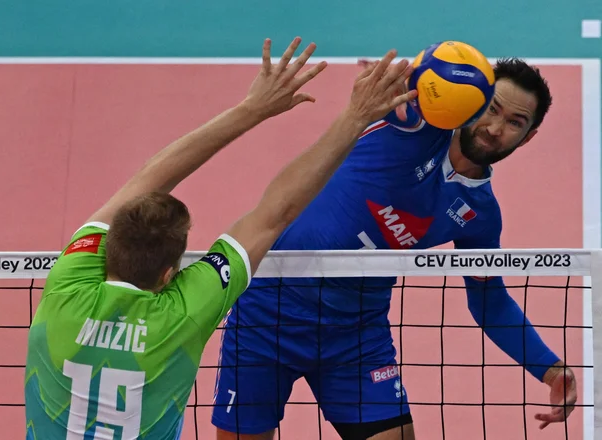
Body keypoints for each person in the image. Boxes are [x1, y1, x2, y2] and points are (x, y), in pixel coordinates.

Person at [23, 36, 418, 440]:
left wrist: (250, 110)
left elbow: (148, 178)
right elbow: (275, 212)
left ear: (107, 249)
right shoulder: (184, 311)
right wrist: (353, 116)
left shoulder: (66, 286)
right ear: (168, 275)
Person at [211, 56, 579, 440]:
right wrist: (400, 86)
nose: (494, 128)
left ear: (528, 136)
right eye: (491, 109)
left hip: (355, 335)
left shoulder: (480, 215)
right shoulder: (415, 129)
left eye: (515, 123)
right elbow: (412, 97)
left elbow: (489, 300)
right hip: (270, 314)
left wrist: (549, 368)